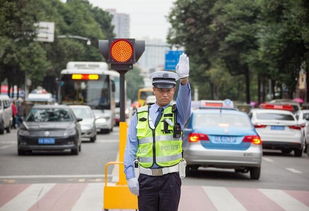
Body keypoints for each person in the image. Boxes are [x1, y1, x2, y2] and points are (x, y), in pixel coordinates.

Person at [124, 53, 191, 211]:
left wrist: (184, 80)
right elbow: (131, 147)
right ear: (153, 90)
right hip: (146, 178)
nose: (165, 94)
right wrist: (130, 177)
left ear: (173, 90)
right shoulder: (139, 114)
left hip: (170, 179)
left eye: (169, 90)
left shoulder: (178, 113)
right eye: (161, 90)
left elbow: (185, 102)